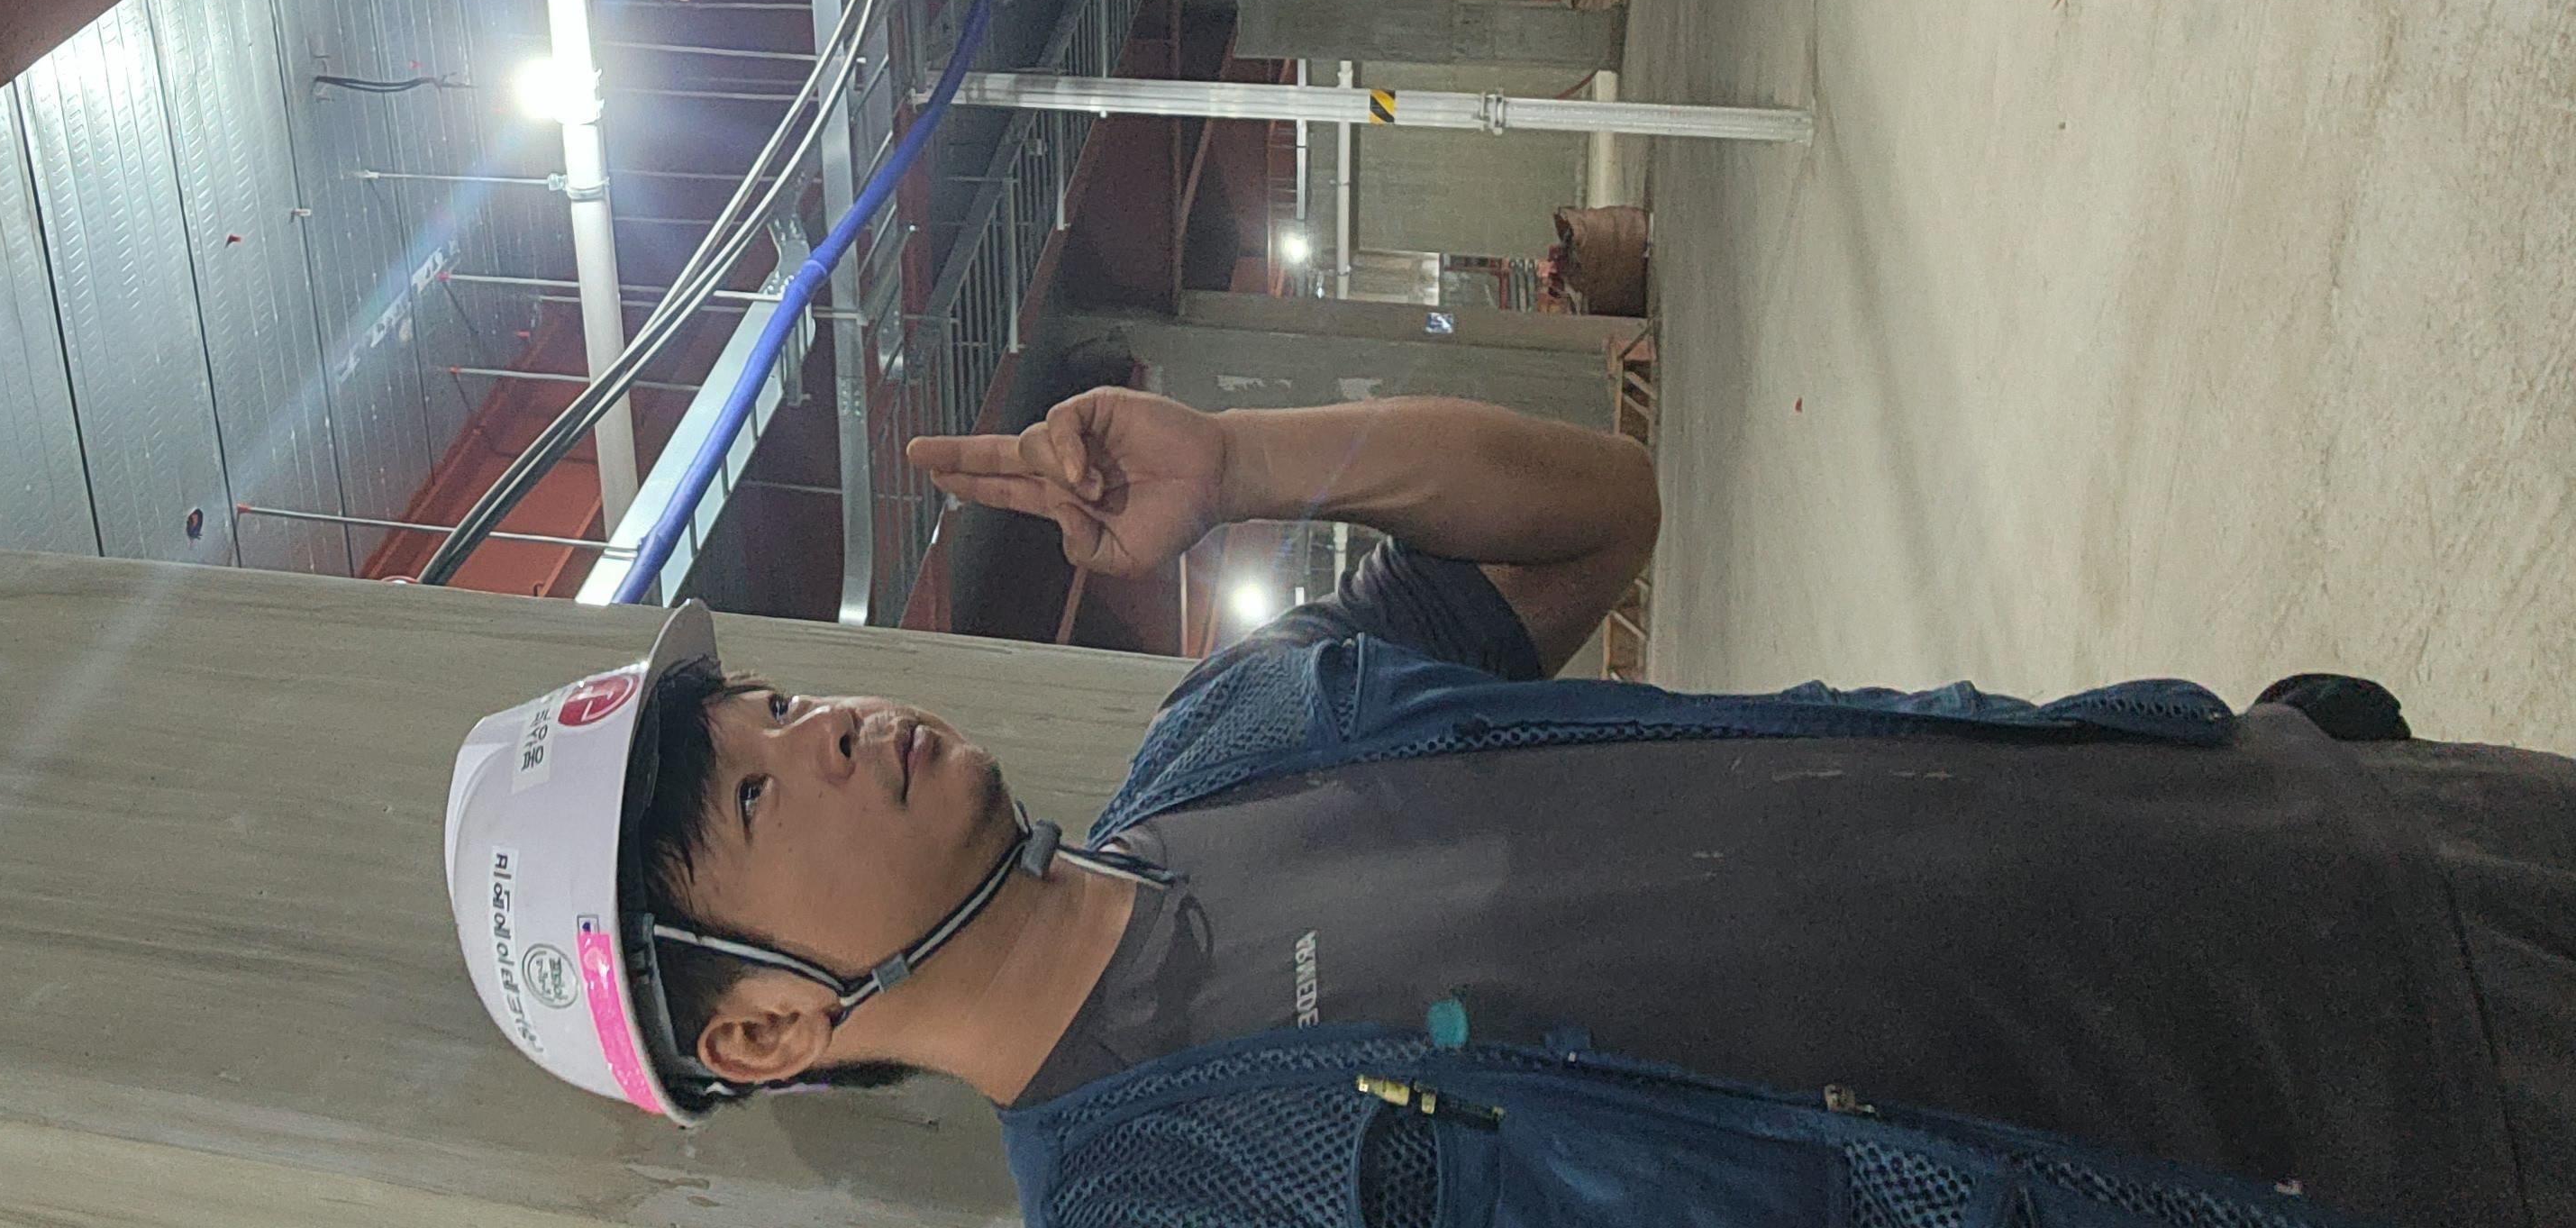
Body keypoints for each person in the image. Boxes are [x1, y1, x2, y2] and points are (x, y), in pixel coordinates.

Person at [443, 384, 2575, 1225]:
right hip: (2376, 1158)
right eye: (747, 798)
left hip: (2334, 830)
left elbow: (1595, 515)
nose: (822, 727)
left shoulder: (1242, 737)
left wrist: (1254, 463)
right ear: (762, 1031)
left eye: (774, 701)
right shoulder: (1178, 1203)